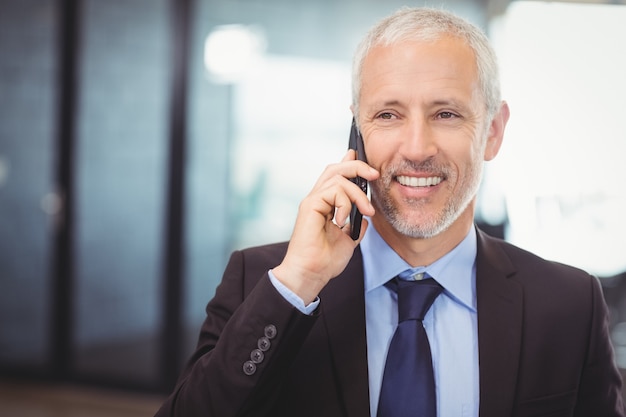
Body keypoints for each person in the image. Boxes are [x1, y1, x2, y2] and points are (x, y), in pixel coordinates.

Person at [155, 7, 624, 417]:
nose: (417, 148)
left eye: (446, 114)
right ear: (355, 130)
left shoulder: (569, 304)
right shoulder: (264, 282)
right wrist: (299, 281)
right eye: (388, 115)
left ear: (494, 132)